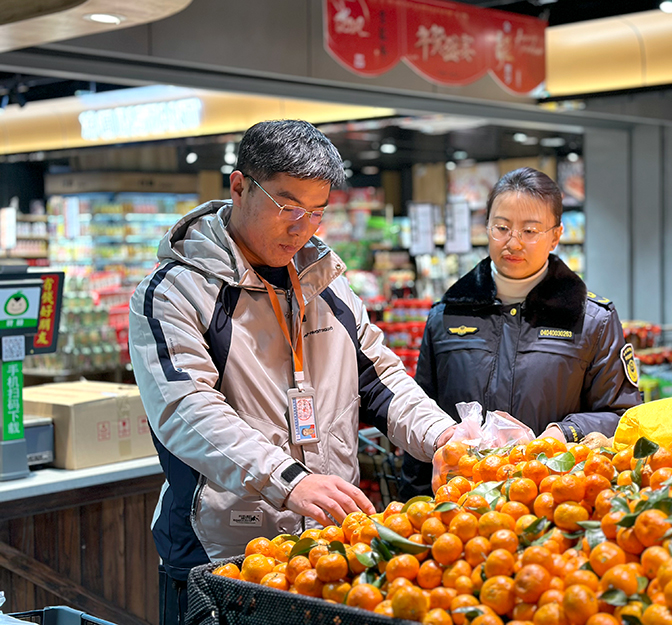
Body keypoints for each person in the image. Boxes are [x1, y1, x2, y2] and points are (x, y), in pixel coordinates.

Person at [128, 120, 457, 624]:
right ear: (238, 186)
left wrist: (443, 438)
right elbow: (185, 410)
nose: (302, 227)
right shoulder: (174, 292)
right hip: (220, 559)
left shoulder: (325, 283)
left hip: (323, 553)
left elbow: (380, 377)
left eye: (317, 211)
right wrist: (286, 479)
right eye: (288, 207)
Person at [400, 167, 642, 499]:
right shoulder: (447, 314)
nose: (513, 242)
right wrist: (411, 508)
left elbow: (623, 416)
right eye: (501, 228)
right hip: (457, 516)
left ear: (555, 236)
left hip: (554, 506)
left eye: (530, 230)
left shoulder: (592, 320)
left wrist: (565, 432)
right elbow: (420, 417)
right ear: (486, 227)